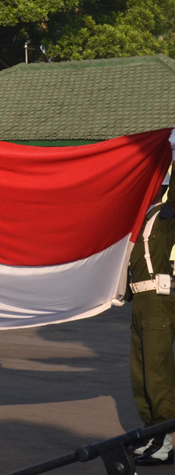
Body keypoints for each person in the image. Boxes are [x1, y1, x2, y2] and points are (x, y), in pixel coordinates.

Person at [126, 180, 175, 466]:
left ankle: (165, 439)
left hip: (160, 300)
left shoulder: (167, 214)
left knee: (158, 373)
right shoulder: (144, 216)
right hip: (142, 301)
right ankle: (151, 431)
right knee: (141, 372)